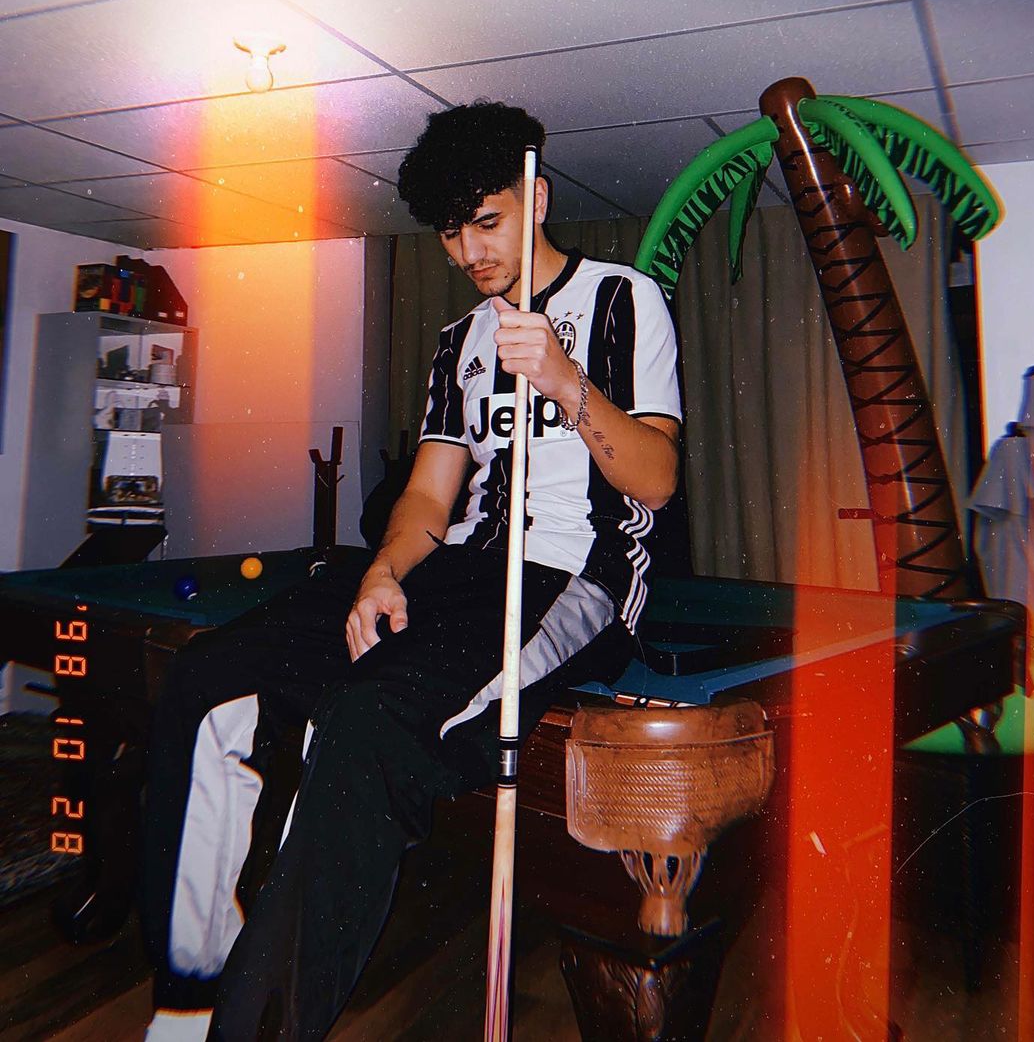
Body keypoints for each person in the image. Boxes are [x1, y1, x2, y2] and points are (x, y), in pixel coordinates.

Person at [141, 100, 681, 1042]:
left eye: (488, 222)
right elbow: (430, 499)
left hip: (572, 577)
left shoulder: (623, 301)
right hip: (455, 572)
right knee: (207, 678)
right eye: (449, 233)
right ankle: (188, 998)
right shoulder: (458, 344)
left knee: (367, 723)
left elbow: (659, 479)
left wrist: (565, 382)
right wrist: (381, 574)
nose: (469, 251)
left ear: (536, 199)